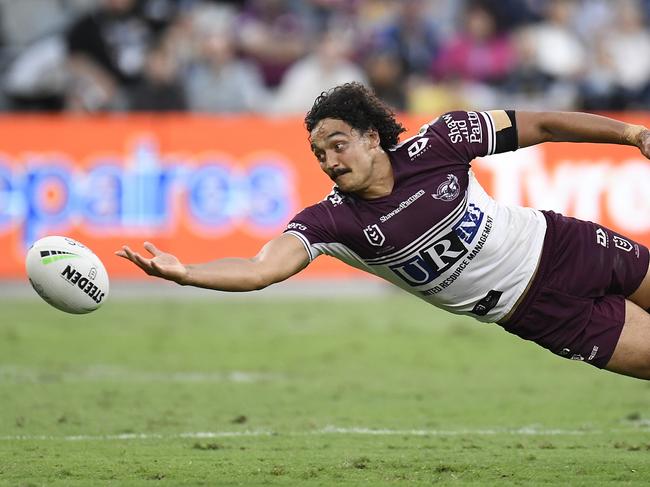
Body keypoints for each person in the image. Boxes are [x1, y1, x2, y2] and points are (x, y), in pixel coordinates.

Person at [117, 82, 650, 380]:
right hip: (539, 313)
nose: (328, 161)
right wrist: (187, 272)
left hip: (567, 246)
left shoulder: (440, 141)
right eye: (318, 153)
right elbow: (260, 270)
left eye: (338, 144)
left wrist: (630, 133)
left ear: (373, 137)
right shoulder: (331, 221)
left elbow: (546, 125)